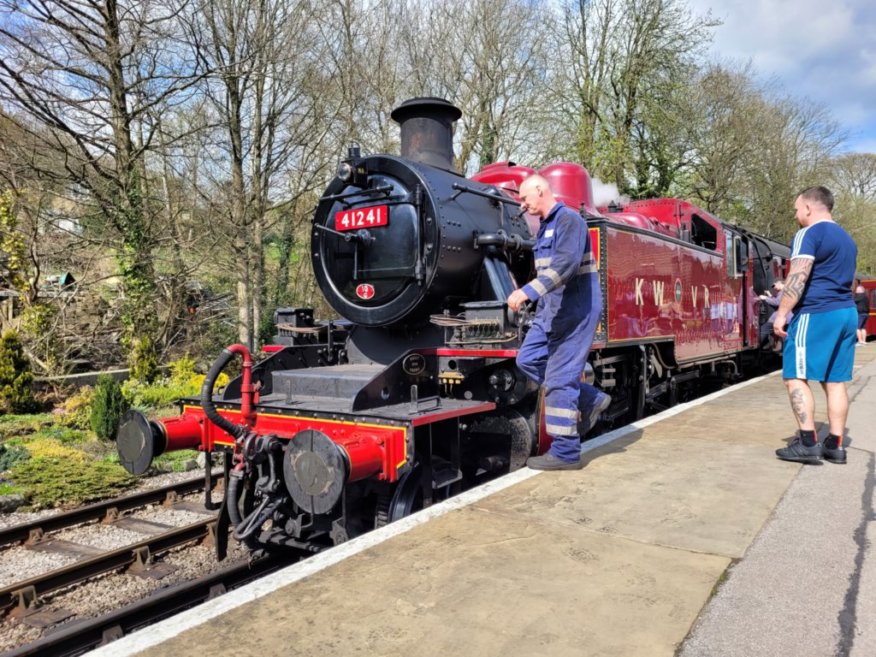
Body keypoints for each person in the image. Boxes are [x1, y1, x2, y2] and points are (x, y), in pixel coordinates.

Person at [507, 175, 610, 471]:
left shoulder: (569, 221)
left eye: (525, 198)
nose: (523, 205)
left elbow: (565, 266)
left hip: (575, 312)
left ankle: (565, 452)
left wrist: (526, 292)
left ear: (541, 190)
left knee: (559, 378)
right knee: (527, 359)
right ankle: (589, 399)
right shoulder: (545, 229)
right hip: (550, 312)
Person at [773, 186, 858, 465]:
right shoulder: (847, 239)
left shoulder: (809, 234)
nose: (797, 215)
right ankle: (835, 445)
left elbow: (798, 276)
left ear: (809, 208)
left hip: (816, 313)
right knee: (835, 381)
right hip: (846, 313)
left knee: (794, 375)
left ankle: (808, 442)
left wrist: (782, 314)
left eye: (797, 209)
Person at [758, 280, 791, 350]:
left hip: (781, 317)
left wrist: (765, 298)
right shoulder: (787, 290)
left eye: (774, 285)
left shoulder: (783, 292)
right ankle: (777, 347)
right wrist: (770, 295)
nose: (774, 287)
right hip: (787, 317)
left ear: (779, 283)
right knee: (782, 334)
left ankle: (758, 344)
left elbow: (777, 303)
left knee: (764, 330)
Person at [854, 280, 870, 345]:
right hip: (866, 314)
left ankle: (860, 341)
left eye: (857, 290)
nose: (856, 291)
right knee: (863, 328)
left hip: (860, 314)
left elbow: (853, 301)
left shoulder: (859, 296)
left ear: (859, 291)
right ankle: (864, 341)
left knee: (857, 328)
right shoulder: (866, 297)